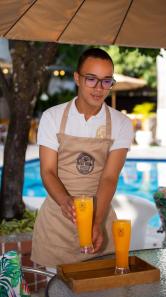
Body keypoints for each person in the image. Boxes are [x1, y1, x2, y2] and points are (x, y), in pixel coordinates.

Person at [31, 48, 133, 268]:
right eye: (91, 79)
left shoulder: (121, 123)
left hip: (101, 219)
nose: (99, 88)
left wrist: (96, 222)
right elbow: (47, 172)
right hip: (57, 222)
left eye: (106, 81)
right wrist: (66, 203)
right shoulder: (52, 117)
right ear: (77, 78)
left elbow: (109, 178)